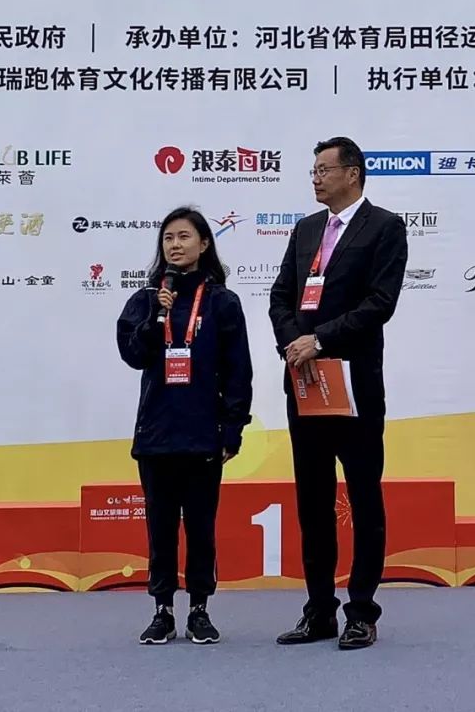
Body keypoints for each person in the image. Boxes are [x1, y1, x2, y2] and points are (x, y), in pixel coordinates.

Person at [268, 136, 408, 650]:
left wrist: (321, 339)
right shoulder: (306, 229)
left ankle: (362, 612)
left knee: (364, 499)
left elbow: (380, 303)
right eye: (313, 170)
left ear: (352, 173)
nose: (316, 178)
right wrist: (294, 344)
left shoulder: (384, 227)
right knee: (312, 502)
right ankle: (319, 610)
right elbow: (281, 295)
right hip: (306, 384)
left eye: (324, 169)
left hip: (355, 386)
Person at [116, 206, 253, 645]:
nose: (175, 245)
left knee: (200, 527)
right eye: (168, 238)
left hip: (203, 433)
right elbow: (133, 355)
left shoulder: (222, 302)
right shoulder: (145, 299)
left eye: (184, 236)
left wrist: (233, 429)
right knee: (159, 528)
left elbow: (238, 371)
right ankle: (162, 610)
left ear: (204, 244)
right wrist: (155, 320)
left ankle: (199, 609)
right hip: (156, 433)